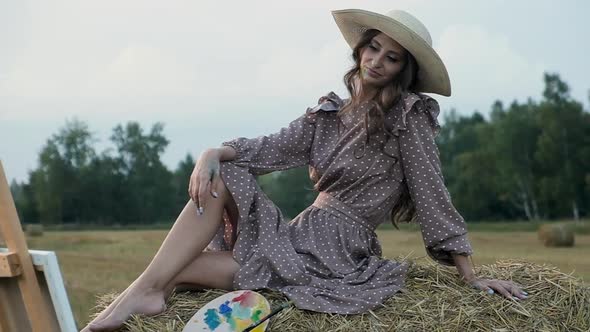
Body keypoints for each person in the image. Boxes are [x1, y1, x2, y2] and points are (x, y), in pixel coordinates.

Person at [82, 8, 527, 332]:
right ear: (361, 48)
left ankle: (125, 307)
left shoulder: (408, 119)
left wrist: (469, 275)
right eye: (374, 47)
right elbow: (264, 149)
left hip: (337, 248)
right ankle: (138, 301)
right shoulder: (327, 115)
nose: (377, 60)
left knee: (178, 266)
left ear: (402, 70)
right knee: (220, 184)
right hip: (298, 233)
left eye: (391, 57)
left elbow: (433, 194)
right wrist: (209, 154)